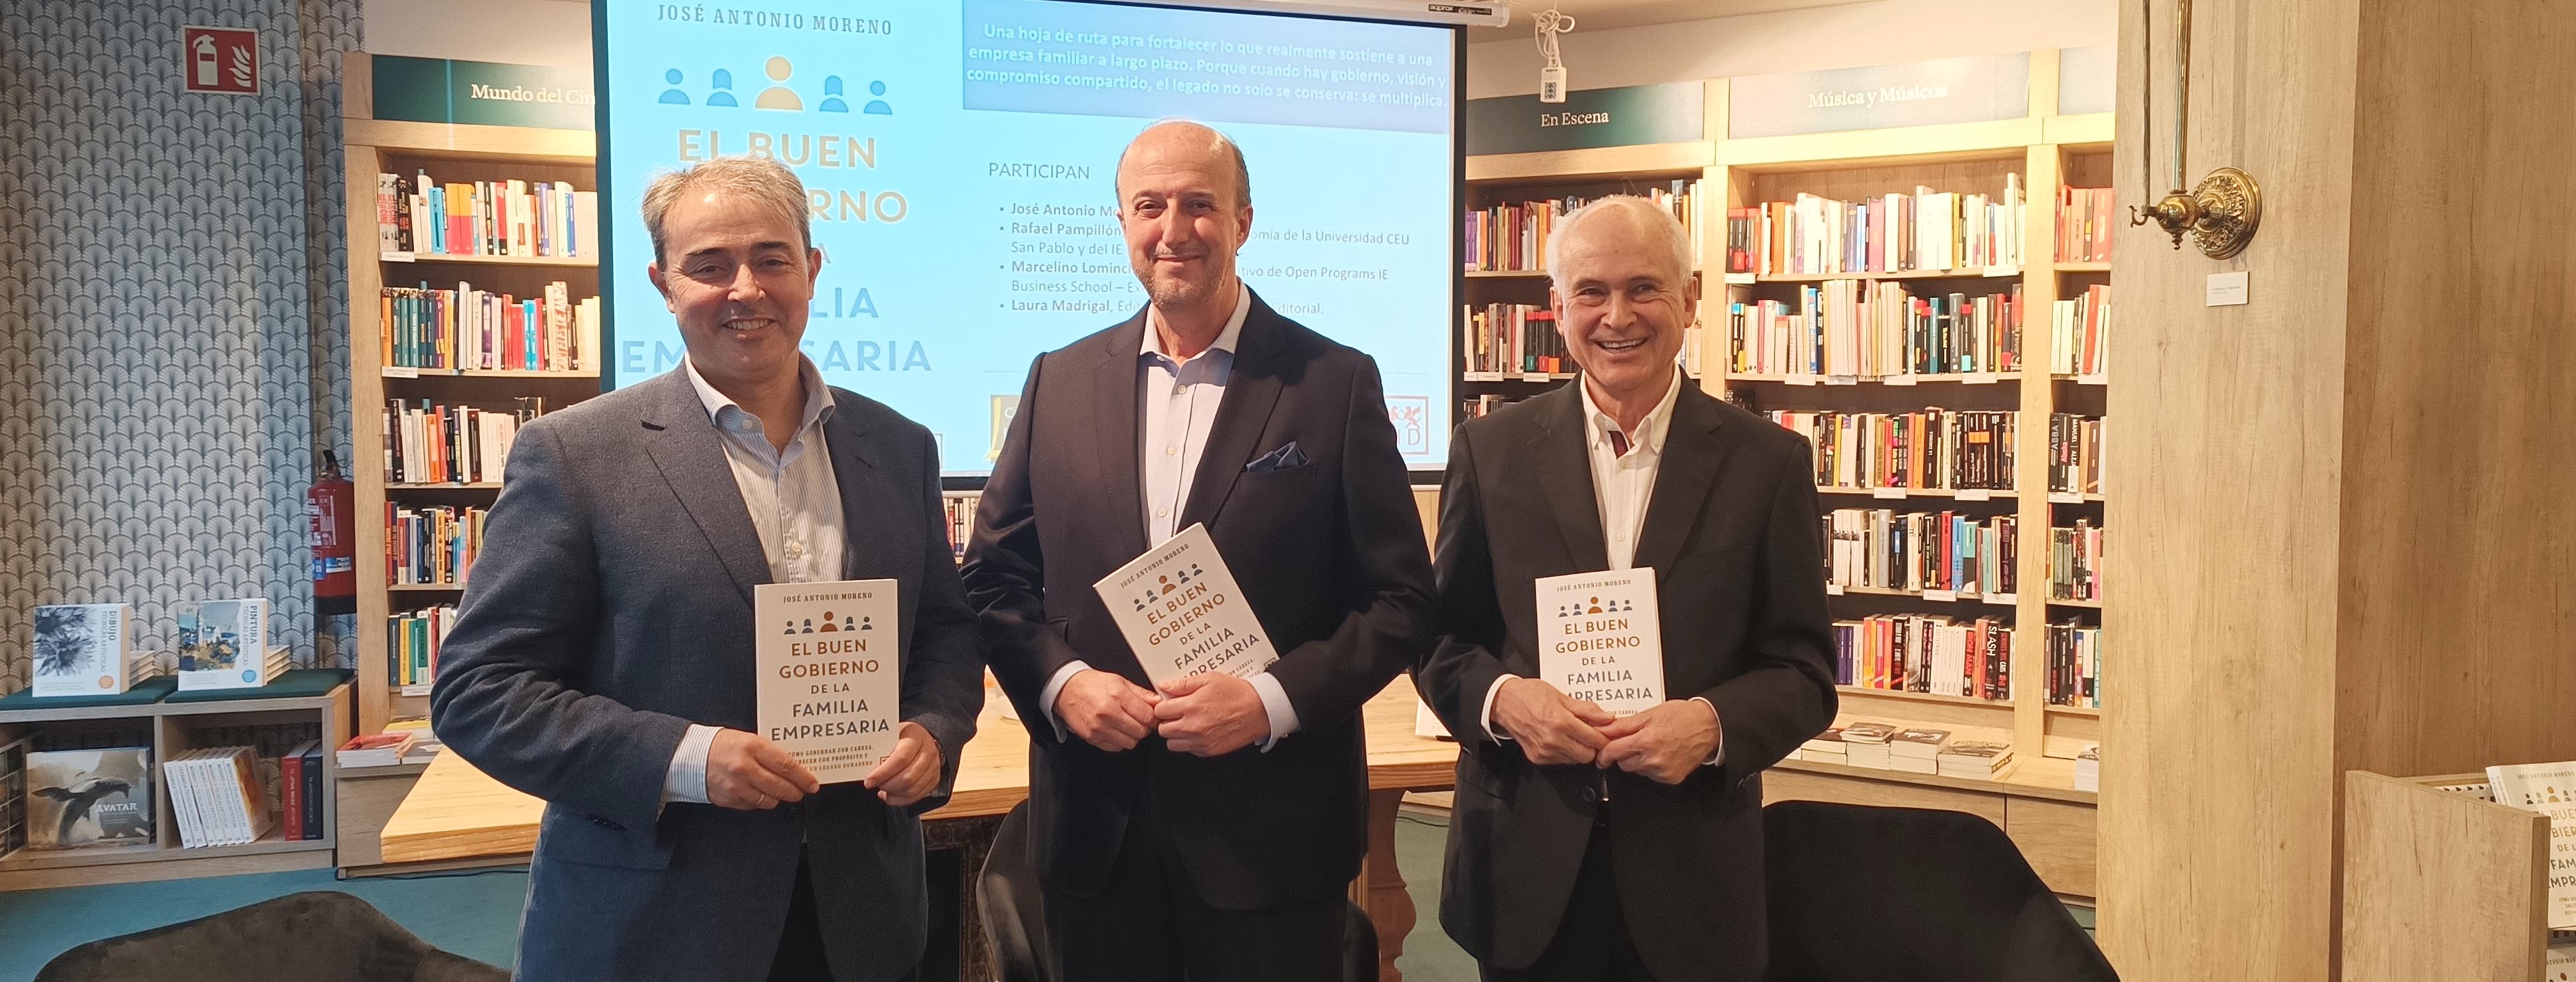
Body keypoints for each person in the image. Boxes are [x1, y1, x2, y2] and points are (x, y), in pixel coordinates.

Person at [429, 155, 984, 982]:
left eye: (771, 259)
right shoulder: (576, 454)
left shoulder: (899, 447)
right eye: (710, 265)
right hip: (656, 927)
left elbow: (944, 631)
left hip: (862, 915)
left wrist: (934, 731)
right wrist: (685, 758)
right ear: (663, 284)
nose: (745, 289)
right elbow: (479, 691)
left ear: (812, 269)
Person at [962, 119, 1438, 982]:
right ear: (1121, 222)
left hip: (1271, 840)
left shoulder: (1332, 383)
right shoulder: (1057, 379)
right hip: (1097, 832)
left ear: (1243, 221)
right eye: (1149, 206)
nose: (1173, 229)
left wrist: (1268, 700)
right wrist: (1064, 684)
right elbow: (994, 578)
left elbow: (1401, 601)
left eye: (1198, 205)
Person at [1415, 196, 1837, 982]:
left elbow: (1804, 673)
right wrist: (1505, 701)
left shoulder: (1768, 464)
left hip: (1692, 875)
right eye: (1591, 292)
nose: (1617, 317)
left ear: (1690, 298)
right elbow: (1438, 640)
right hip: (1524, 866)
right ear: (1558, 309)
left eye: (1644, 287)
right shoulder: (1488, 450)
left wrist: (1710, 725)